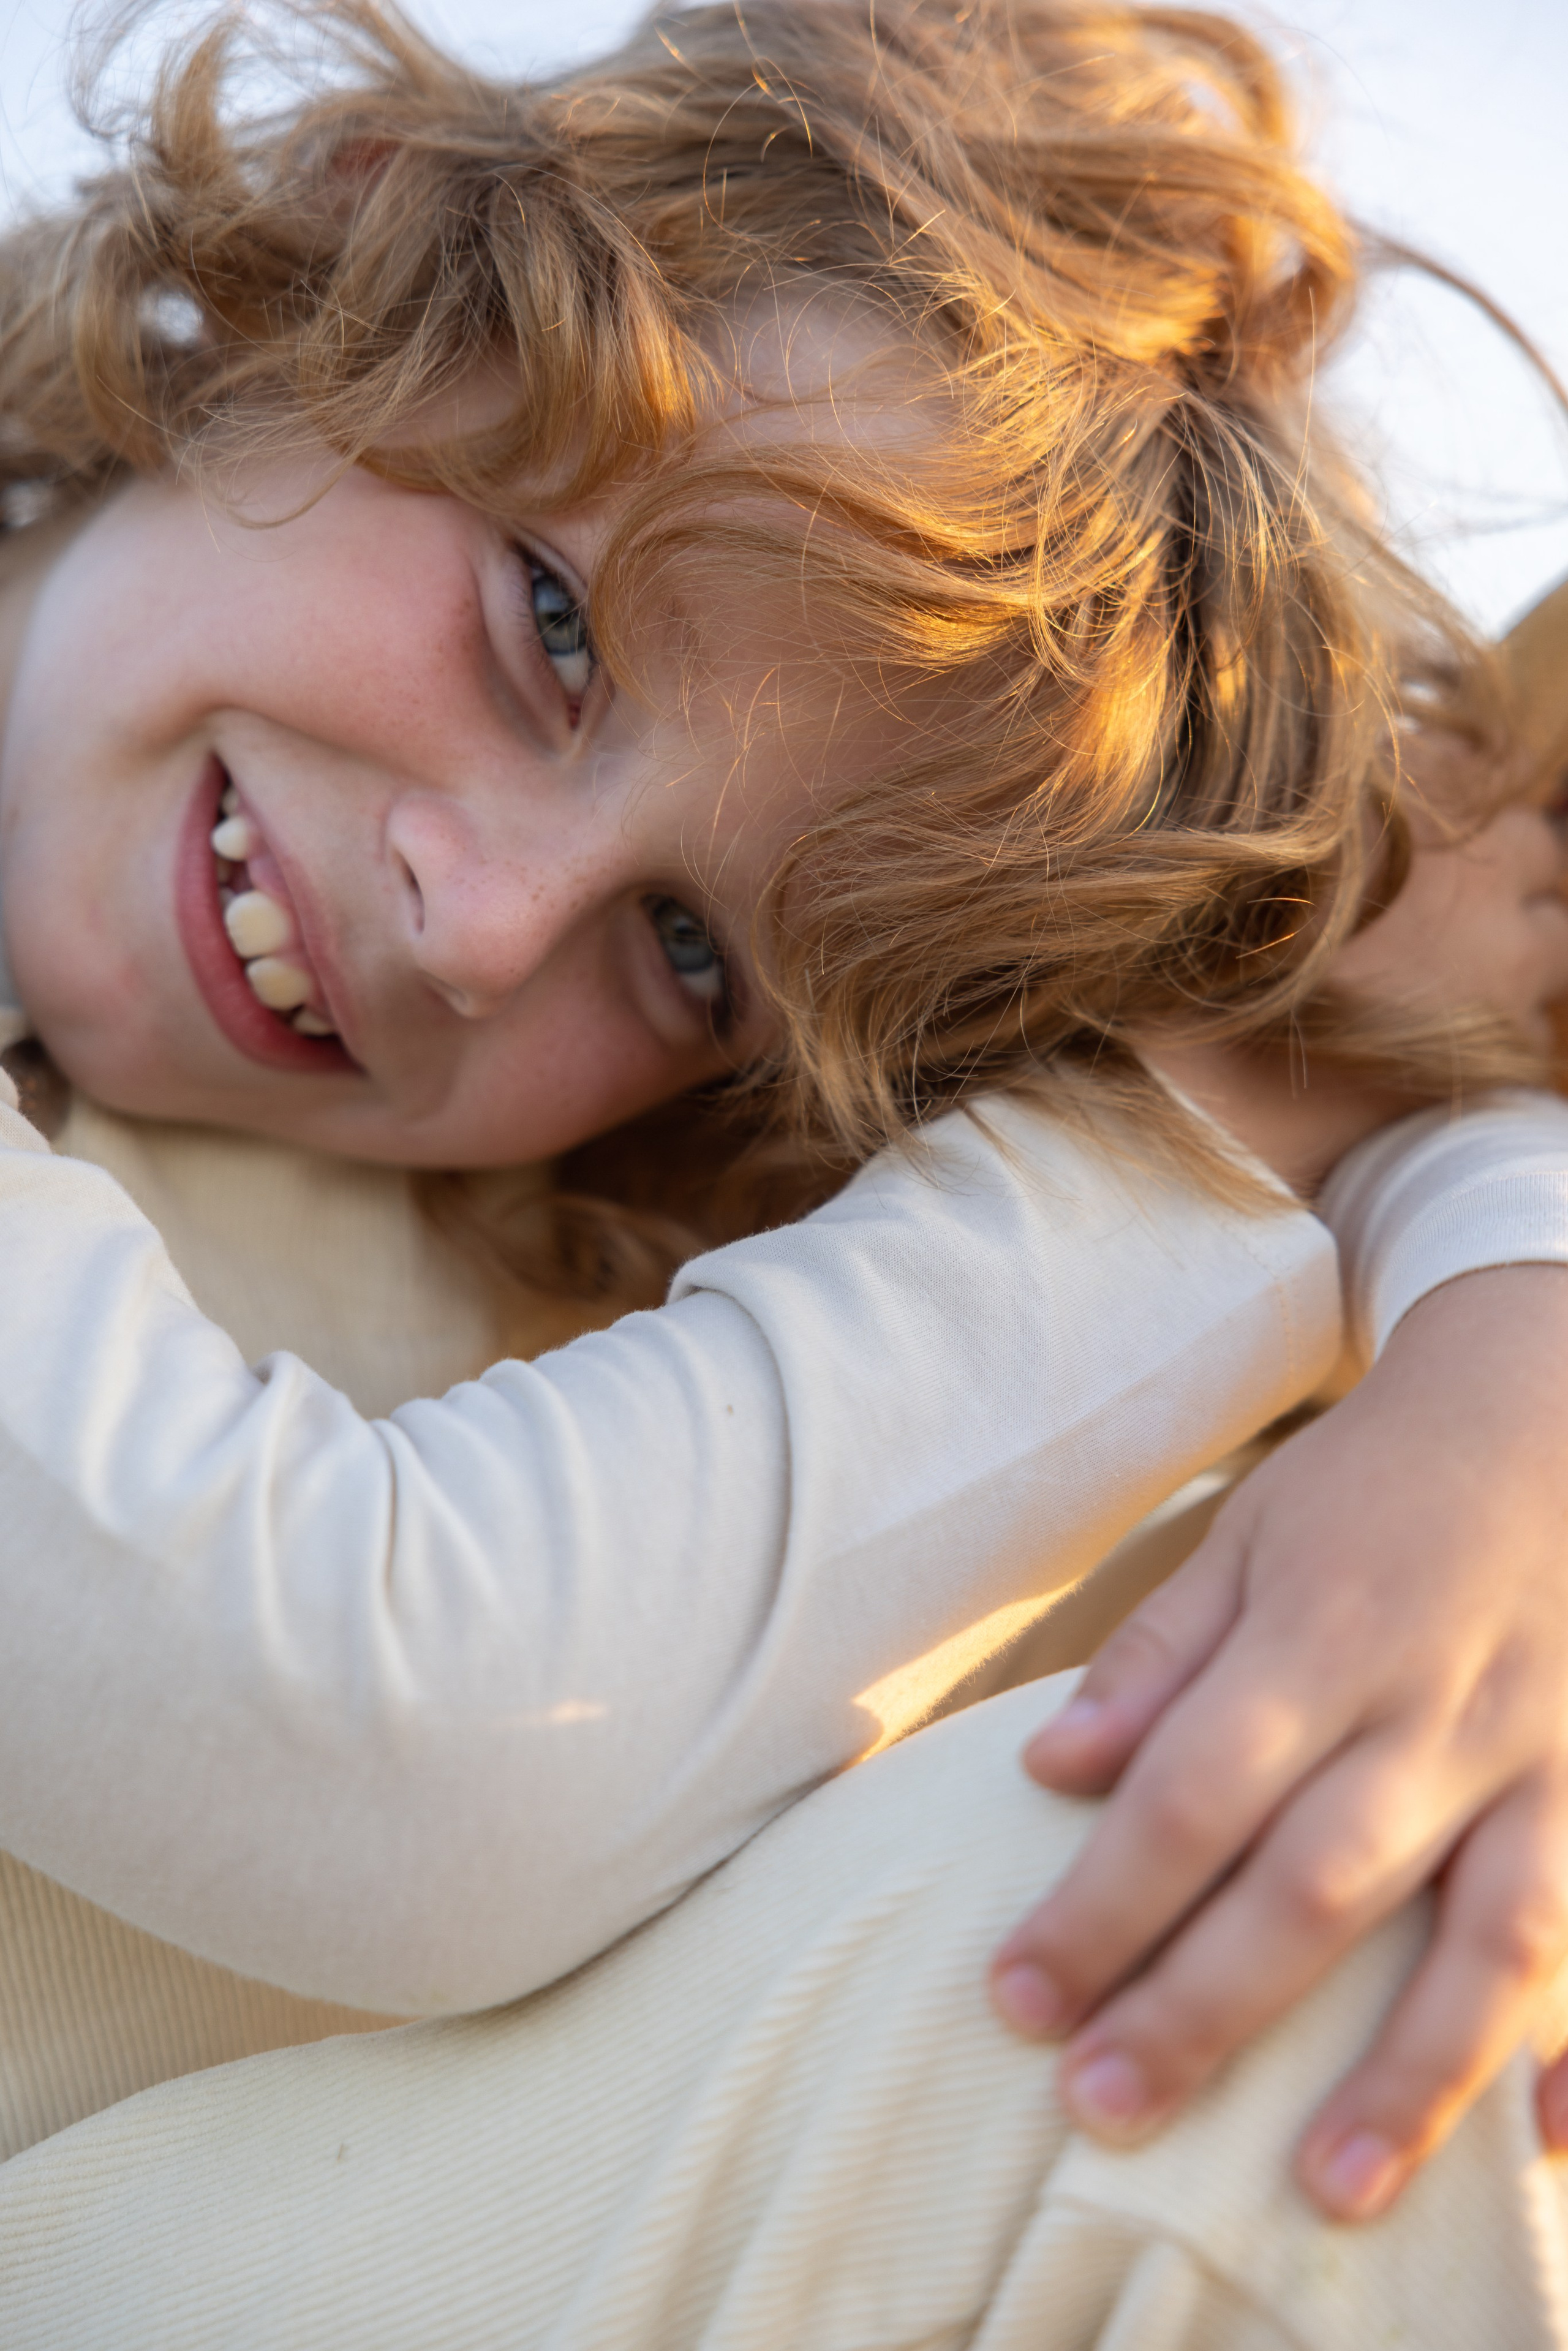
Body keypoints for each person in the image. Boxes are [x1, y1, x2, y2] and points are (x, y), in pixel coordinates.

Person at [2, 0, 1568, 2336]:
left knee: (1351, 1878)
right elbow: (372, 1729)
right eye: (551, 625)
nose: (482, 923)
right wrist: (1228, 1109)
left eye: (689, 951)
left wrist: (1500, 1342)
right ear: (351, 260)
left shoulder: (598, 1208)